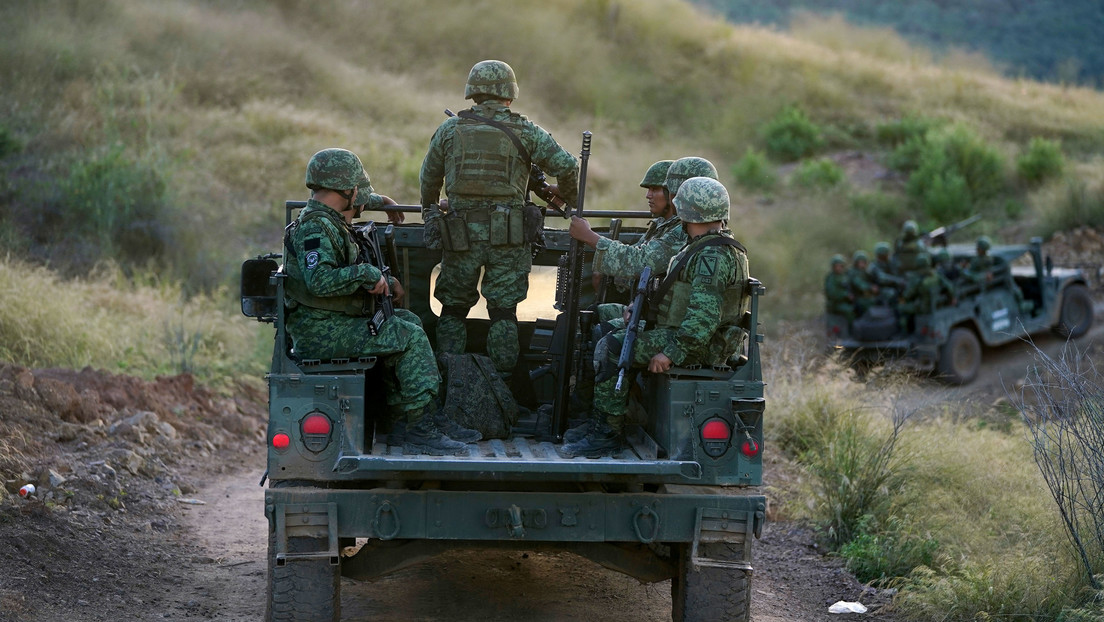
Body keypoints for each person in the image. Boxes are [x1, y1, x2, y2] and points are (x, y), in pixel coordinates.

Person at [284, 148, 477, 454]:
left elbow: (355, 202)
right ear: (348, 189)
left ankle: (406, 420)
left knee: (407, 321)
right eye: (359, 193)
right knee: (409, 335)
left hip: (334, 324)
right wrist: (367, 274)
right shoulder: (314, 229)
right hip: (321, 332)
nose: (361, 201)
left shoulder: (328, 215)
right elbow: (318, 281)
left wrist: (383, 201)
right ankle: (420, 430)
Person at [561, 176, 748, 458]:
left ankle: (607, 433)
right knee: (604, 326)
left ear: (687, 212)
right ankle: (599, 421)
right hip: (688, 335)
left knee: (612, 349)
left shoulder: (711, 256)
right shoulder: (709, 246)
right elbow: (681, 300)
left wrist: (671, 353)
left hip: (697, 345)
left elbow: (703, 318)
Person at [419, 59, 579, 373]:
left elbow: (429, 178)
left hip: (459, 235)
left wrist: (430, 211)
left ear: (472, 94)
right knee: (504, 313)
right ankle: (504, 386)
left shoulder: (450, 129)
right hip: (509, 236)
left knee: (452, 309)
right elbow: (568, 166)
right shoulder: (526, 129)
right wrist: (567, 195)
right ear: (510, 95)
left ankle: (450, 379)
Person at [571, 156, 719, 325]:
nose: (648, 195)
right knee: (590, 314)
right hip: (652, 307)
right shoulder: (664, 225)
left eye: (655, 189)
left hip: (664, 317)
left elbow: (640, 262)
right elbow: (637, 255)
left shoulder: (684, 230)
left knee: (604, 336)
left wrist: (589, 237)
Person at [897, 252, 956, 332]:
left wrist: (902, 297)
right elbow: (950, 286)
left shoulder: (917, 278)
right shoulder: (936, 274)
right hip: (936, 305)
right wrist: (952, 298)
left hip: (923, 308)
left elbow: (908, 295)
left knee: (900, 308)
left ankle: (904, 331)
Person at [847, 250, 879, 317]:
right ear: (856, 263)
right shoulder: (852, 272)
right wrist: (870, 287)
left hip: (866, 296)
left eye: (863, 262)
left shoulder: (865, 272)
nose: (862, 264)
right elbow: (859, 284)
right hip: (857, 297)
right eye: (860, 262)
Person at [824, 255, 854, 322]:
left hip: (845, 301)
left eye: (840, 266)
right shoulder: (831, 278)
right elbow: (832, 293)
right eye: (836, 266)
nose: (838, 268)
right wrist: (846, 295)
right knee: (849, 310)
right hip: (835, 304)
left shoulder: (844, 276)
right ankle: (851, 329)